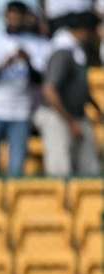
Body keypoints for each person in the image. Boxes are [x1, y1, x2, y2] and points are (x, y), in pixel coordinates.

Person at [0, 2, 40, 176]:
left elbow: (39, 81)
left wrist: (28, 61)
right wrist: (4, 64)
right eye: (11, 15)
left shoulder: (34, 43)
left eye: (18, 16)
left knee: (17, 170)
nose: (15, 20)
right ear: (5, 16)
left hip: (20, 111)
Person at [34, 11, 102, 177]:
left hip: (77, 115)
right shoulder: (63, 51)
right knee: (60, 169)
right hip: (57, 115)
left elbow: (79, 88)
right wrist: (71, 122)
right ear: (85, 30)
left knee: (90, 168)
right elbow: (49, 90)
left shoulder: (78, 50)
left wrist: (96, 109)